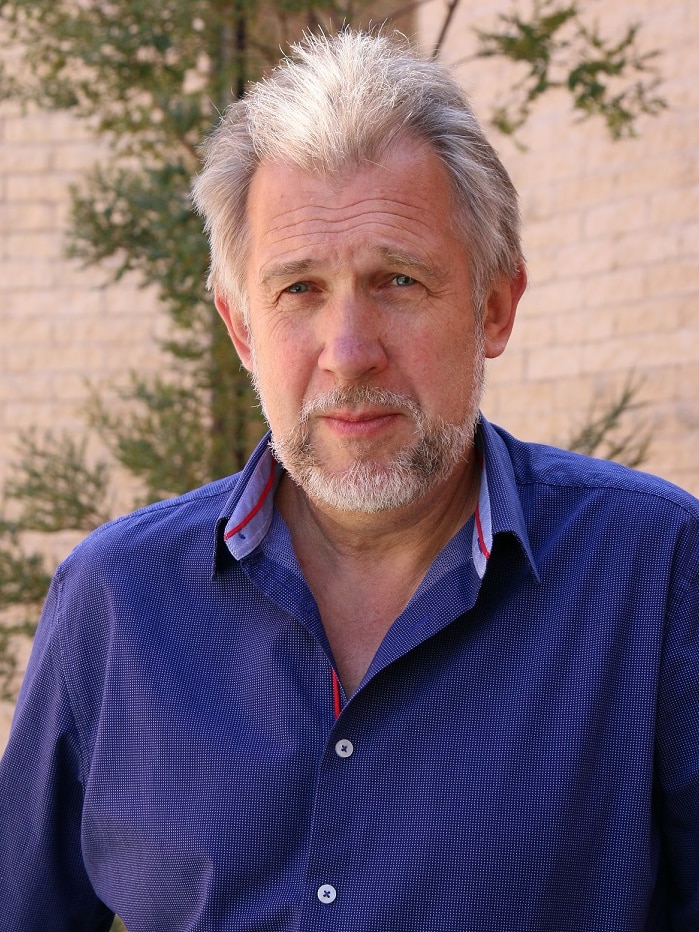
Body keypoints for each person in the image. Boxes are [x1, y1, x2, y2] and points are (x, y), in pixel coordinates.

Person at [1, 29, 698, 932]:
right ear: (242, 327)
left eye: (398, 280)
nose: (347, 355)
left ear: (494, 305)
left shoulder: (654, 574)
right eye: (297, 290)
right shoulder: (114, 604)